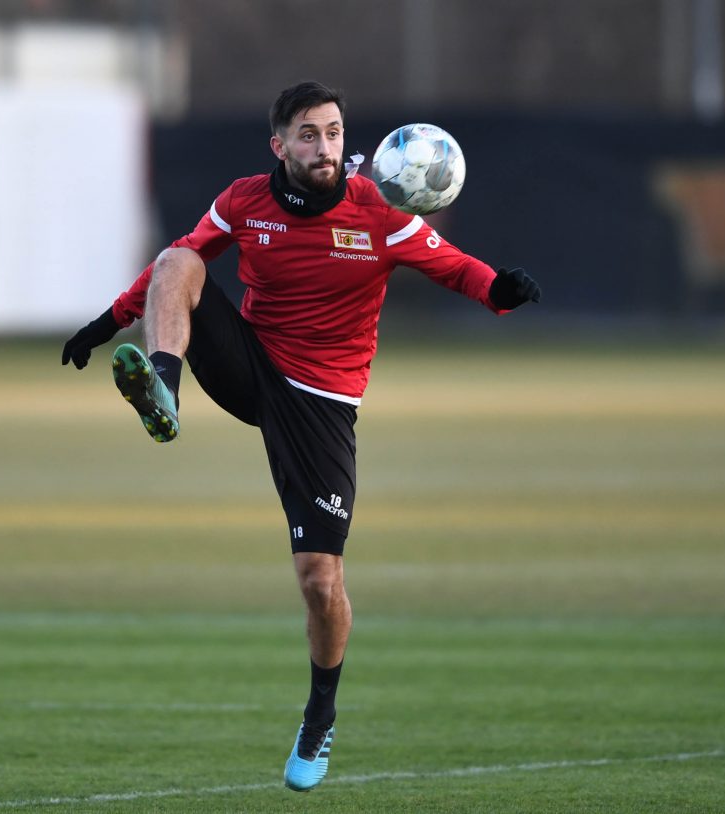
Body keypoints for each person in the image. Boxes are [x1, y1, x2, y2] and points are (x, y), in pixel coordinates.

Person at [62, 80, 540, 792]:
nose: (326, 148)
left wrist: (500, 292)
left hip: (322, 405)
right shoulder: (245, 201)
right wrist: (107, 323)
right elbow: (182, 263)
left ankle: (320, 716)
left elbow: (455, 266)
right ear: (279, 145)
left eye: (336, 133)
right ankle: (163, 387)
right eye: (310, 135)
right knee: (178, 261)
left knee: (320, 582)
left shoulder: (378, 211)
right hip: (251, 367)